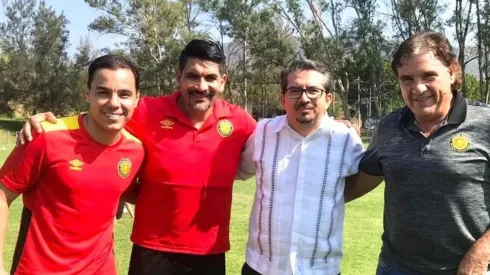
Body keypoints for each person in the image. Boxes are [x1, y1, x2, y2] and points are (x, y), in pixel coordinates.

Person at [20, 39, 257, 275]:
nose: (201, 86)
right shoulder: (146, 111)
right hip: (152, 250)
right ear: (179, 77)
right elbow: (102, 114)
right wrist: (49, 123)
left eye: (210, 78)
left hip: (210, 252)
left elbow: (276, 142)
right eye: (192, 76)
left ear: (223, 82)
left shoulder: (240, 123)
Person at [346, 31, 490, 275]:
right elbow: (359, 183)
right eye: (407, 79)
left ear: (452, 72)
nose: (418, 88)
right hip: (396, 268)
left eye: (428, 76)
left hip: (467, 269)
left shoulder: (485, 122)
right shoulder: (389, 127)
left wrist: (482, 252)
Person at [0, 54, 144, 275]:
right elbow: (2, 194)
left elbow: (133, 193)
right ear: (87, 94)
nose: (114, 103)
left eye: (124, 94)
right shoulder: (46, 136)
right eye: (103, 92)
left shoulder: (136, 150)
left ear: (136, 99)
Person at [237, 59, 365, 274]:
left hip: (321, 269)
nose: (304, 98)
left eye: (313, 90)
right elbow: (237, 170)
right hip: (262, 267)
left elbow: (366, 177)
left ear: (328, 99)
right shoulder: (262, 133)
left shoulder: (346, 140)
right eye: (295, 90)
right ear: (283, 98)